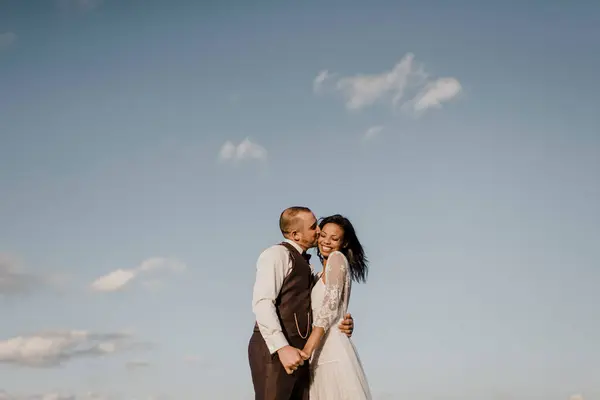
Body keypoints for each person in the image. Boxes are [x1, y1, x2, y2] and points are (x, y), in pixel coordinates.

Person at [248, 206, 355, 400]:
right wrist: (282, 347)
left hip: (303, 358)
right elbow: (263, 303)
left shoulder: (309, 267)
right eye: (314, 227)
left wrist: (342, 320)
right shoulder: (276, 254)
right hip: (276, 353)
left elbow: (325, 301)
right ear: (296, 234)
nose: (319, 232)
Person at [301, 214, 372, 399]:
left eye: (334, 238)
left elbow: (329, 309)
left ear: (344, 242)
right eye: (323, 235)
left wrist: (306, 350)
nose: (326, 241)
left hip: (329, 349)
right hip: (321, 349)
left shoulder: (337, 258)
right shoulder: (318, 275)